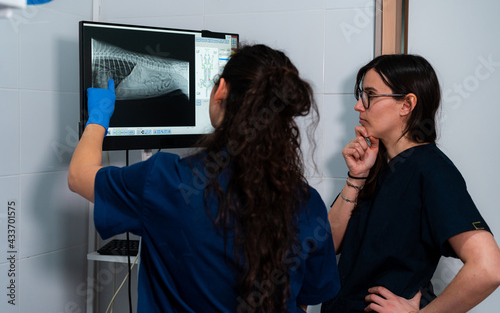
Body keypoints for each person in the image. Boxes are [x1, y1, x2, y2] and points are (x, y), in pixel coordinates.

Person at [68, 44, 340, 312]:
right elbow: (303, 299)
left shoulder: (166, 182)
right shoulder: (308, 204)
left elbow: (79, 176)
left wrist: (98, 119)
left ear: (221, 90)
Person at [321, 54, 500, 313]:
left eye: (370, 95)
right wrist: (356, 177)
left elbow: (489, 267)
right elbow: (328, 246)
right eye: (361, 94)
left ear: (406, 104)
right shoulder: (376, 164)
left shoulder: (433, 171)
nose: (359, 106)